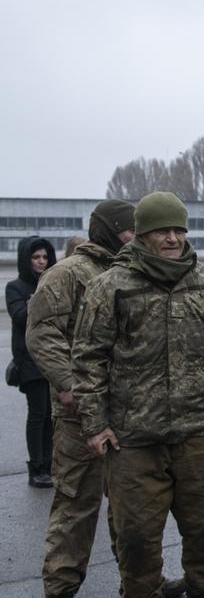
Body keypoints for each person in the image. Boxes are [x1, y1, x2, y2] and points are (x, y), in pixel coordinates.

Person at [72, 192, 204, 598]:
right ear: (142, 235)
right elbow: (88, 358)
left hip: (196, 432)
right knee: (138, 540)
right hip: (133, 438)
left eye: (179, 229)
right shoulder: (111, 285)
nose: (173, 238)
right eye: (163, 230)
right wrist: (94, 424)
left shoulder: (202, 281)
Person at [26, 200, 153, 597]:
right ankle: (61, 586)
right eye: (132, 230)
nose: (141, 237)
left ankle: (140, 582)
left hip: (131, 413)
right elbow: (42, 332)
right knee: (76, 507)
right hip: (81, 416)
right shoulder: (67, 274)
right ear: (112, 232)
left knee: (133, 509)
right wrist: (69, 384)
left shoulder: (135, 272)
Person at [6, 236, 57, 488]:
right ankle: (36, 467)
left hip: (53, 358)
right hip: (29, 360)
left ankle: (48, 464)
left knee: (51, 415)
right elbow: (20, 317)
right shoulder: (15, 287)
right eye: (36, 257)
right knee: (38, 414)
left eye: (45, 257)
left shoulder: (52, 283)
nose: (41, 261)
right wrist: (40, 296)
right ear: (27, 260)